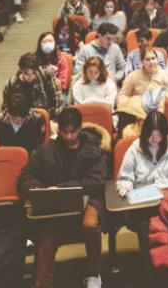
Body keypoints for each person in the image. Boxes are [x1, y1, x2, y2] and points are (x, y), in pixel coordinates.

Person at [18, 107, 107, 288]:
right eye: (64, 132)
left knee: (90, 225)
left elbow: (95, 181)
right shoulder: (45, 150)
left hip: (87, 198)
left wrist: (60, 188)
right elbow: (24, 178)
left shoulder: (94, 150)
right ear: (58, 130)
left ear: (80, 129)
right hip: (55, 203)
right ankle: (43, 284)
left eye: (73, 132)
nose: (68, 136)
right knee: (46, 235)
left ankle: (93, 273)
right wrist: (43, 191)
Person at [116, 110, 168, 194]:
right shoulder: (134, 149)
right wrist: (126, 186)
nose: (154, 139)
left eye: (159, 135)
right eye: (151, 135)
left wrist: (156, 187)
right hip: (142, 195)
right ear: (145, 133)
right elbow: (124, 178)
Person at [117, 45, 168, 137]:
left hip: (158, 112)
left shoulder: (166, 75)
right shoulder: (133, 76)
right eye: (147, 59)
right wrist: (131, 103)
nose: (151, 62)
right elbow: (122, 95)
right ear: (142, 62)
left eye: (153, 58)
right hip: (137, 113)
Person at [0, 82, 46, 152]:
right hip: (4, 156)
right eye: (14, 119)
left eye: (22, 119)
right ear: (8, 112)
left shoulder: (37, 120)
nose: (18, 122)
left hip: (29, 157)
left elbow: (40, 148)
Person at [3, 53, 63, 122]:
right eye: (26, 74)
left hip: (46, 117)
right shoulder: (11, 83)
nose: (30, 77)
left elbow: (56, 98)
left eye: (34, 73)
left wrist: (52, 118)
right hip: (21, 120)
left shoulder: (45, 73)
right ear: (20, 70)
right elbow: (6, 107)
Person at [36, 31, 72, 95]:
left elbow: (63, 82)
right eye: (44, 42)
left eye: (50, 41)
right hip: (39, 91)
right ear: (40, 44)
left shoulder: (62, 59)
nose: (47, 44)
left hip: (58, 91)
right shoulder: (34, 59)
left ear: (55, 43)